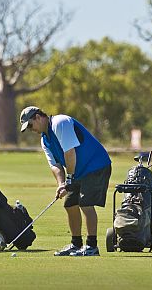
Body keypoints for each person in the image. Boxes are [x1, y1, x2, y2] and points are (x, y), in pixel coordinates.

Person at [20, 106, 112, 257]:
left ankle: (91, 246)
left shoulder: (60, 123)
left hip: (96, 165)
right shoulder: (45, 140)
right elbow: (55, 165)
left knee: (85, 204)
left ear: (38, 117)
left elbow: (70, 153)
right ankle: (76, 244)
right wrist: (61, 184)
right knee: (70, 204)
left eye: (30, 125)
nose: (31, 130)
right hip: (76, 171)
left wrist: (69, 178)